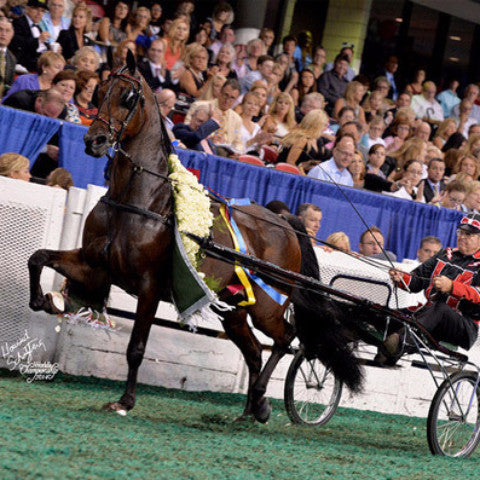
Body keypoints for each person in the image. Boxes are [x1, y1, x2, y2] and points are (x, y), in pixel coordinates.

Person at [380, 213, 480, 365]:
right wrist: (402, 278)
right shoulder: (445, 255)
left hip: (464, 327)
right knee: (391, 314)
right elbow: (417, 281)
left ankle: (398, 342)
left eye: (469, 234)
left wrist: (452, 287)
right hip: (429, 316)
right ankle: (368, 333)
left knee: (439, 308)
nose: (462, 237)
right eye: (460, 232)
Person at [185, 78, 243, 157]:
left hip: (226, 155)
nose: (227, 100)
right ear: (220, 92)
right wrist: (208, 139)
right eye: (226, 95)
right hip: (201, 149)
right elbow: (188, 129)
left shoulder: (237, 119)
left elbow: (238, 143)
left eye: (232, 98)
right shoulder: (199, 106)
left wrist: (237, 153)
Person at [277, 109, 329, 174]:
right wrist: (303, 175)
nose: (326, 129)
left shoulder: (318, 140)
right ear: (316, 125)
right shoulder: (301, 139)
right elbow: (290, 162)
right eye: (324, 125)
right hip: (286, 173)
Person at [10, 0, 50, 73]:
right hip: (28, 61)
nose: (39, 13)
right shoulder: (18, 22)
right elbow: (17, 42)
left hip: (43, 59)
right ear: (27, 9)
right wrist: (38, 40)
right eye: (36, 9)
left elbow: (43, 45)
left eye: (42, 11)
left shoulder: (38, 26)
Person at [0, 17, 16, 99]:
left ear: (12, 35)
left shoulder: (12, 59)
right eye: (0, 29)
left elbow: (9, 85)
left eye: (7, 31)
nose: (3, 34)